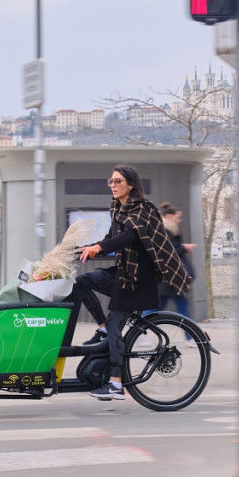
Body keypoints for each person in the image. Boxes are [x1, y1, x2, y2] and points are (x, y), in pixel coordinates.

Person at [75, 165, 192, 401]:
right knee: (82, 282)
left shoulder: (143, 209)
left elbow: (129, 236)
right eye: (111, 181)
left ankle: (116, 385)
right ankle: (102, 327)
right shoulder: (118, 208)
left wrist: (99, 247)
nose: (113, 184)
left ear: (130, 184)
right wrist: (86, 249)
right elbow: (112, 239)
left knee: (117, 323)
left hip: (140, 280)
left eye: (118, 181)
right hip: (124, 272)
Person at [156, 202, 195, 319]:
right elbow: (169, 251)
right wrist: (184, 248)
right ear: (169, 216)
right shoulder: (166, 230)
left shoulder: (169, 229)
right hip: (171, 275)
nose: (179, 220)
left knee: (178, 304)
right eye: (177, 217)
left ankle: (191, 334)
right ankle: (191, 335)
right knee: (179, 305)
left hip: (171, 276)